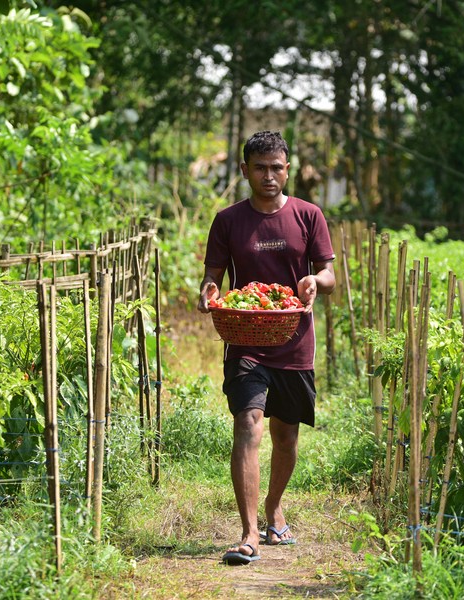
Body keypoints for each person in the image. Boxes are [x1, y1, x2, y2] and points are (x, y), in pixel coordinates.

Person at [198, 130, 336, 566]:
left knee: (286, 434)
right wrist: (208, 295)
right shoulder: (228, 220)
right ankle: (249, 533)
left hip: (294, 340)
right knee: (248, 422)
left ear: (287, 169)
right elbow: (213, 278)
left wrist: (315, 282)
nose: (269, 175)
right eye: (260, 167)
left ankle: (275, 507)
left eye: (277, 167)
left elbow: (329, 275)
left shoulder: (309, 215)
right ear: (245, 171)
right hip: (245, 338)